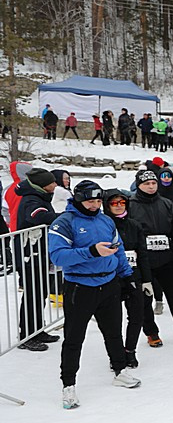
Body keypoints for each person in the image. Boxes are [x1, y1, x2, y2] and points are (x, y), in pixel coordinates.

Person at [49, 180, 141, 409]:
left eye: (98, 201)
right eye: (90, 201)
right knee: (74, 338)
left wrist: (127, 276)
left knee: (113, 332)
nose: (95, 205)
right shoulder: (65, 222)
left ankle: (120, 369)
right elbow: (58, 257)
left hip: (109, 284)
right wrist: (91, 251)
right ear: (79, 199)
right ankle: (68, 385)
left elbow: (118, 249)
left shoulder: (106, 220)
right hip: (80, 286)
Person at [128, 169, 173, 347]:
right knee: (145, 299)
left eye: (153, 183)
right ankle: (151, 332)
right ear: (139, 185)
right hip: (143, 260)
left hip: (166, 258)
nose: (150, 187)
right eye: (146, 184)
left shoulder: (166, 204)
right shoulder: (131, 205)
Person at [103, 190, 153, 369]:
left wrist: (147, 280)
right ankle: (115, 355)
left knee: (137, 316)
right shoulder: (104, 226)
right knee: (113, 320)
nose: (118, 206)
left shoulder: (134, 225)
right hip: (112, 278)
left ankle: (130, 350)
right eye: (114, 203)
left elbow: (143, 254)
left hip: (134, 276)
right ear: (107, 206)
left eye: (122, 203)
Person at [14, 168, 60, 351]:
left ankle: (37, 329)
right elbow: (38, 216)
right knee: (32, 294)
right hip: (30, 253)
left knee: (41, 293)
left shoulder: (40, 196)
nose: (55, 185)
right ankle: (27, 335)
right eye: (52, 182)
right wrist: (64, 217)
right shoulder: (31, 199)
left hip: (39, 251)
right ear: (42, 185)